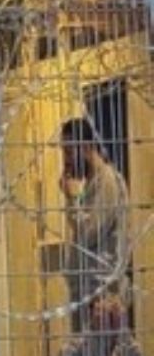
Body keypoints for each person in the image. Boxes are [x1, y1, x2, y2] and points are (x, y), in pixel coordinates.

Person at [59, 117, 130, 333]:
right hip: (89, 295)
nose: (66, 161)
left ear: (86, 147)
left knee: (98, 355)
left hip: (101, 299)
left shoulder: (107, 181)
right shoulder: (92, 183)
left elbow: (89, 233)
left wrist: (71, 198)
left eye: (69, 152)